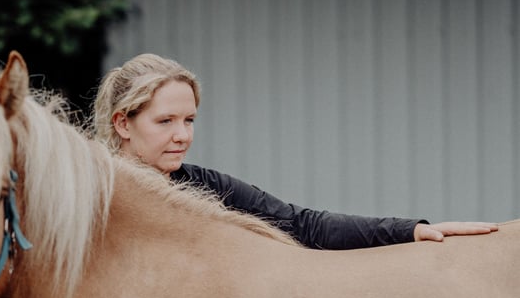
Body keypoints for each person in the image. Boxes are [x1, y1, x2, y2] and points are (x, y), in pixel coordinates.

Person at [91, 53, 498, 249]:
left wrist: (412, 229)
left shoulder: (202, 187)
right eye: (166, 122)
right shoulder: (92, 197)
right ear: (123, 123)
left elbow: (305, 225)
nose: (183, 135)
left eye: (190, 120)